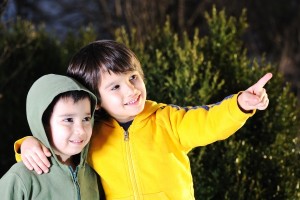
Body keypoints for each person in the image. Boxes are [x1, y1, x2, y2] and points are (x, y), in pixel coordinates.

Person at [15, 40, 272, 200]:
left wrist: (239, 105)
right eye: (115, 87)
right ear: (95, 99)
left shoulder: (167, 120)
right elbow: (60, 149)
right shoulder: (90, 133)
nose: (131, 90)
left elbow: (208, 123)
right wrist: (27, 144)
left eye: (133, 77)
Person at [0, 74, 101, 199]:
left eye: (86, 119)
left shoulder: (90, 174)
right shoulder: (20, 177)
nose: (80, 130)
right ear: (43, 123)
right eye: (68, 119)